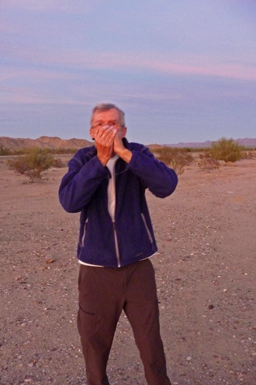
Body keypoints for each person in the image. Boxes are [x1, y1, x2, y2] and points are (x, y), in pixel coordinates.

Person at [59, 103, 178, 385]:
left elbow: (167, 185)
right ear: (91, 131)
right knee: (95, 348)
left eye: (113, 124)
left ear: (123, 130)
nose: (107, 129)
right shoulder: (82, 159)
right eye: (100, 124)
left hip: (138, 267)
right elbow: (69, 201)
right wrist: (99, 162)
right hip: (96, 269)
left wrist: (125, 154)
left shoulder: (138, 154)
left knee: (151, 346)